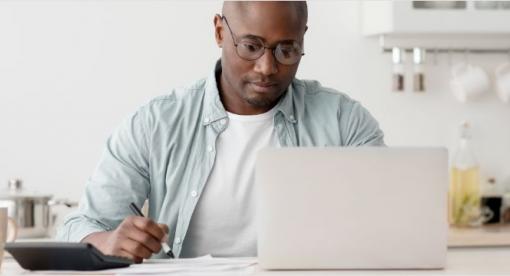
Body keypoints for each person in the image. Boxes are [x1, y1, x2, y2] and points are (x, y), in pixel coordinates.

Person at [57, 1, 384, 262]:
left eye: (287, 50)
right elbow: (79, 225)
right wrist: (108, 241)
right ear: (219, 31)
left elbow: (388, 224)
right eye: (251, 46)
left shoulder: (344, 122)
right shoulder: (156, 123)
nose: (267, 67)